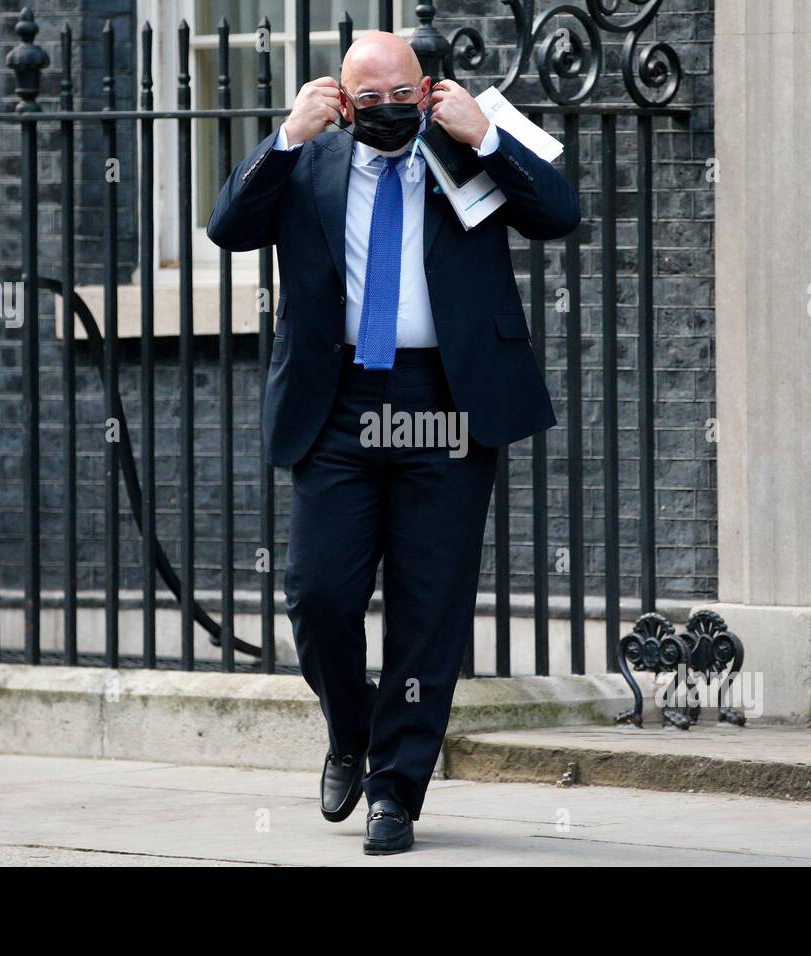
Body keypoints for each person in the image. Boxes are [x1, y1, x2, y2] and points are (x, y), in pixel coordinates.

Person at [207, 31, 579, 855]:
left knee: (429, 607)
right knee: (318, 593)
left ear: (427, 87)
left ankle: (395, 792)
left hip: (445, 403)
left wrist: (486, 133)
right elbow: (228, 228)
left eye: (401, 94)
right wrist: (286, 135)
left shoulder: (467, 149)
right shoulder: (309, 161)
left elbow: (560, 215)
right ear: (343, 100)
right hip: (337, 401)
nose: (388, 109)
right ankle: (351, 731)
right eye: (368, 98)